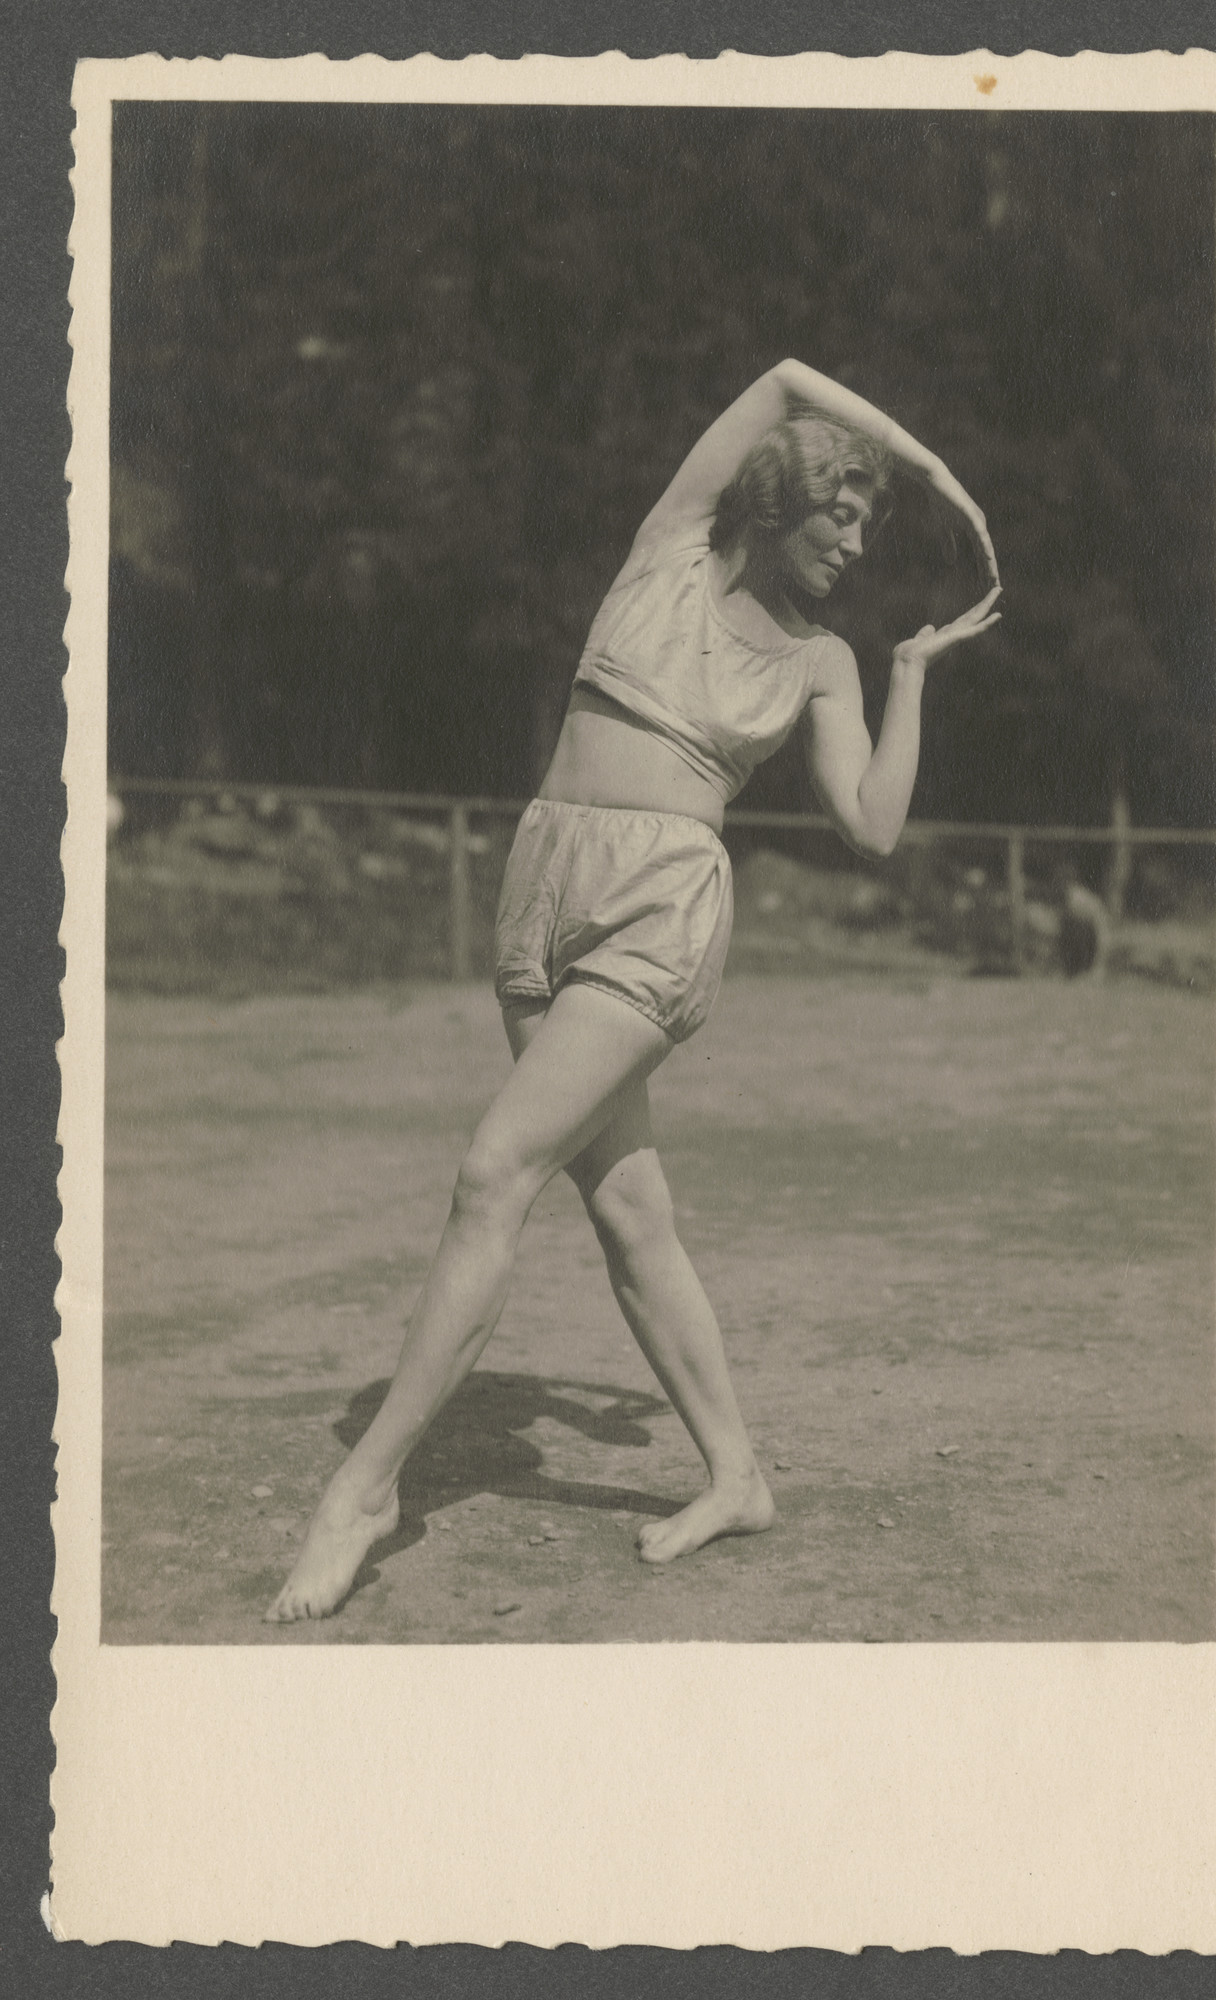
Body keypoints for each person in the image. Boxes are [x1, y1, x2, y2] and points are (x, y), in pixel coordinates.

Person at [267, 357, 1001, 1622]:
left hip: (660, 910)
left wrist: (911, 677)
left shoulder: (824, 660)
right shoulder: (666, 544)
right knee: (628, 1214)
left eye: (871, 521)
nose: (858, 540)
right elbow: (779, 378)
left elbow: (872, 826)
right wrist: (928, 462)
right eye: (842, 511)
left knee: (494, 1170)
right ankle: (736, 1474)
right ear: (780, 501)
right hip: (544, 877)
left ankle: (365, 1486)